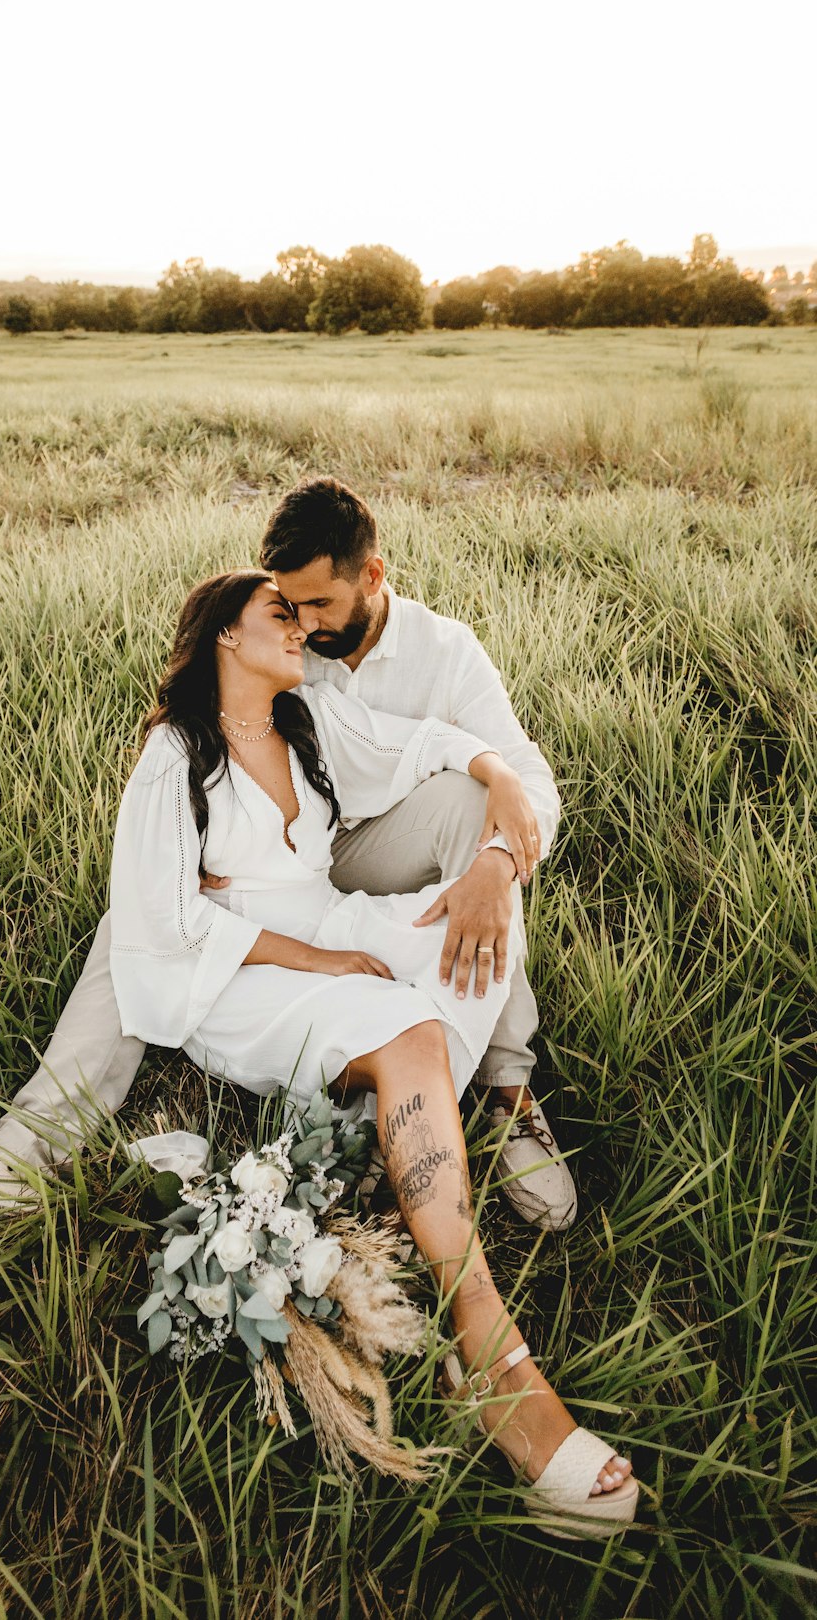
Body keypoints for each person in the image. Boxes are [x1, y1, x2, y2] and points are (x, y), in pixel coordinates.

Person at [0, 480, 576, 1236]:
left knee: (473, 808)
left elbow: (526, 788)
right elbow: (207, 722)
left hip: (375, 851)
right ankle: (20, 1155)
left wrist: (494, 854)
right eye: (288, 608)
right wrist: (205, 843)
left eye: (319, 605)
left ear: (373, 577)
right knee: (138, 915)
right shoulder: (284, 649)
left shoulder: (445, 653)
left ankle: (504, 1089)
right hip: (279, 866)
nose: (304, 625)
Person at [106, 568, 641, 1535]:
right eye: (279, 615)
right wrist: (320, 959)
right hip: (240, 975)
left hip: (328, 922)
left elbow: (421, 744)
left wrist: (501, 778)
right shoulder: (175, 756)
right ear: (226, 636)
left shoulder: (304, 718)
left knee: (474, 923)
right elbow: (165, 923)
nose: (301, 632)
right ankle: (488, 1349)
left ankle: (399, 1130)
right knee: (408, 1026)